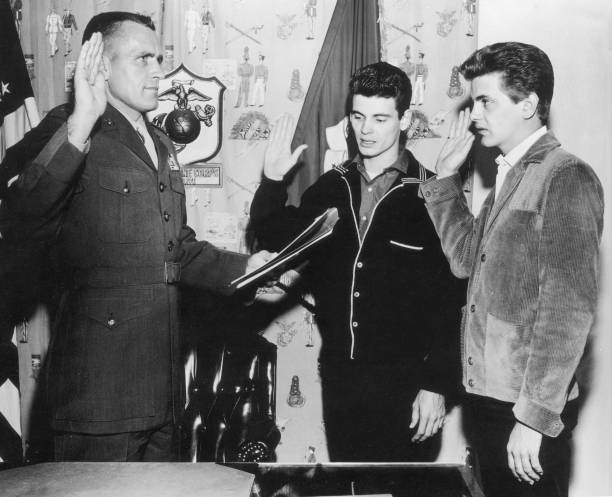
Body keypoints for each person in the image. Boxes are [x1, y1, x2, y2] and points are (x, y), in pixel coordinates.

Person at [3, 11, 273, 462]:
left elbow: (177, 248)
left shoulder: (161, 142)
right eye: (142, 59)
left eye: (159, 58)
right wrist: (82, 122)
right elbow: (23, 213)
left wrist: (247, 267)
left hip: (161, 391)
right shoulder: (69, 127)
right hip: (98, 395)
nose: (157, 71)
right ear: (101, 65)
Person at [250, 62, 465, 462]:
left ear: (404, 121)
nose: (366, 130)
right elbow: (277, 239)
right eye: (358, 116)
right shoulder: (332, 186)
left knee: (403, 489)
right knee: (350, 486)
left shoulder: (432, 194)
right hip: (341, 379)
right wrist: (273, 181)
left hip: (408, 385)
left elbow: (455, 298)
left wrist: (436, 384)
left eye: (380, 118)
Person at [420, 42, 604, 497]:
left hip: (525, 408)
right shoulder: (511, 173)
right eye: (474, 101)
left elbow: (568, 313)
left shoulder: (565, 175)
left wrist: (534, 419)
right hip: (489, 399)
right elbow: (465, 260)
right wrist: (444, 182)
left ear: (528, 104)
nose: (475, 115)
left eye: (486, 101)